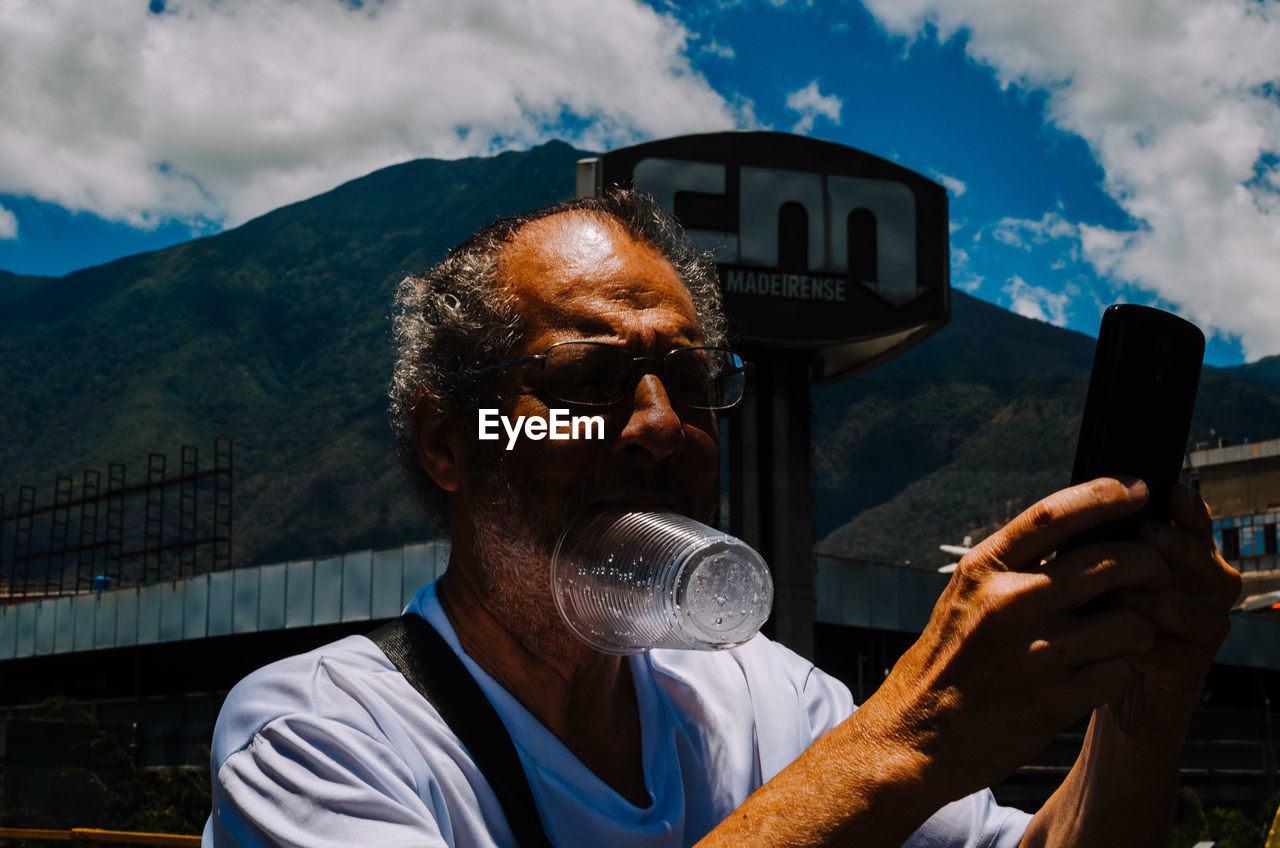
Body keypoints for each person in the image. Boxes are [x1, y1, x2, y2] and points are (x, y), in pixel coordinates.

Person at [202, 189, 1240, 847]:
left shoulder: (762, 697)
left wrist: (1144, 707)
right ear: (448, 441)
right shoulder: (322, 734)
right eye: (587, 376)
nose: (660, 423)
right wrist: (907, 733)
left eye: (689, 378)